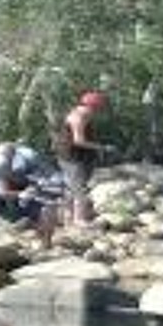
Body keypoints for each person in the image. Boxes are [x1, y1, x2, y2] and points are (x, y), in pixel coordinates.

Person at [57, 87, 105, 234]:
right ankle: (79, 220)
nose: (97, 113)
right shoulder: (78, 117)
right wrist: (100, 147)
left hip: (74, 157)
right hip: (72, 158)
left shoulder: (82, 115)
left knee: (72, 188)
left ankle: (68, 218)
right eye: (97, 109)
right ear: (91, 106)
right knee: (79, 189)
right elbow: (79, 141)